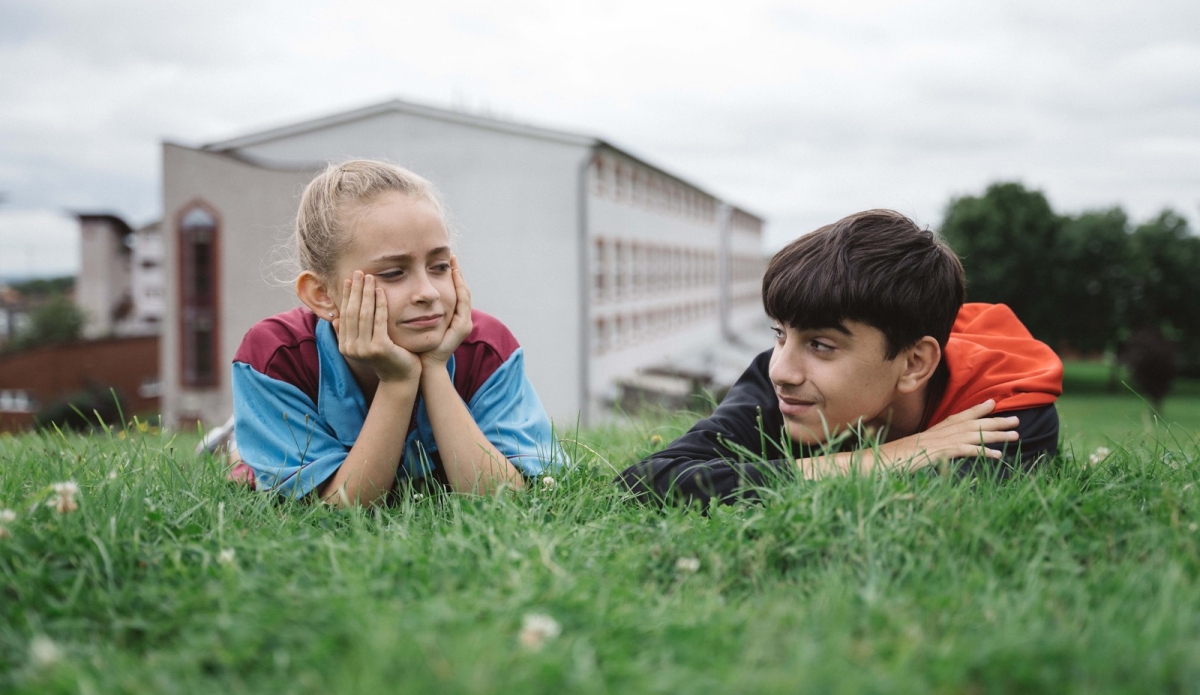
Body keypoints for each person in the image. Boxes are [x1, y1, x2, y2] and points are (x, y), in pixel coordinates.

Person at [618, 209, 1062, 505]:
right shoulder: (783, 381)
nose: (781, 371)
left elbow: (924, 512)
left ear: (913, 365)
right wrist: (891, 456)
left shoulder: (1002, 405)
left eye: (821, 345)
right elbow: (646, 480)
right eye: (780, 334)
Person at [231, 160, 563, 506]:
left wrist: (434, 370)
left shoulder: (487, 349)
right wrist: (398, 382)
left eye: (438, 267)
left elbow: (507, 499)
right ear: (322, 294)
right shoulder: (276, 356)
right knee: (249, 467)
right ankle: (235, 442)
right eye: (392, 273)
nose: (428, 292)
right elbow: (334, 511)